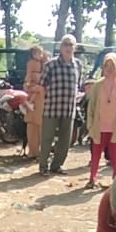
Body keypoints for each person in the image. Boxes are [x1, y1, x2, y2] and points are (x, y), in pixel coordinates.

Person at [37, 35, 82, 177]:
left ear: (74, 48)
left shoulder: (78, 65)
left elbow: (78, 85)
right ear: (61, 47)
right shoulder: (50, 65)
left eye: (71, 45)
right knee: (47, 138)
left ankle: (57, 166)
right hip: (52, 108)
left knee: (65, 140)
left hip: (69, 110)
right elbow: (41, 85)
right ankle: (43, 166)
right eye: (66, 44)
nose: (68, 47)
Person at [84, 52, 116, 188]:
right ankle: (92, 179)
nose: (109, 69)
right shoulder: (98, 84)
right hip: (99, 126)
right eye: (106, 65)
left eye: (112, 65)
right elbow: (91, 106)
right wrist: (91, 125)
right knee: (96, 155)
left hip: (115, 126)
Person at [23, 45, 49, 160]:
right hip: (33, 98)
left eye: (41, 53)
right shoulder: (31, 64)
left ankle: (42, 152)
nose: (41, 55)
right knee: (31, 125)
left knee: (41, 126)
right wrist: (29, 87)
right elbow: (27, 80)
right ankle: (32, 151)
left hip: (42, 99)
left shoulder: (46, 64)